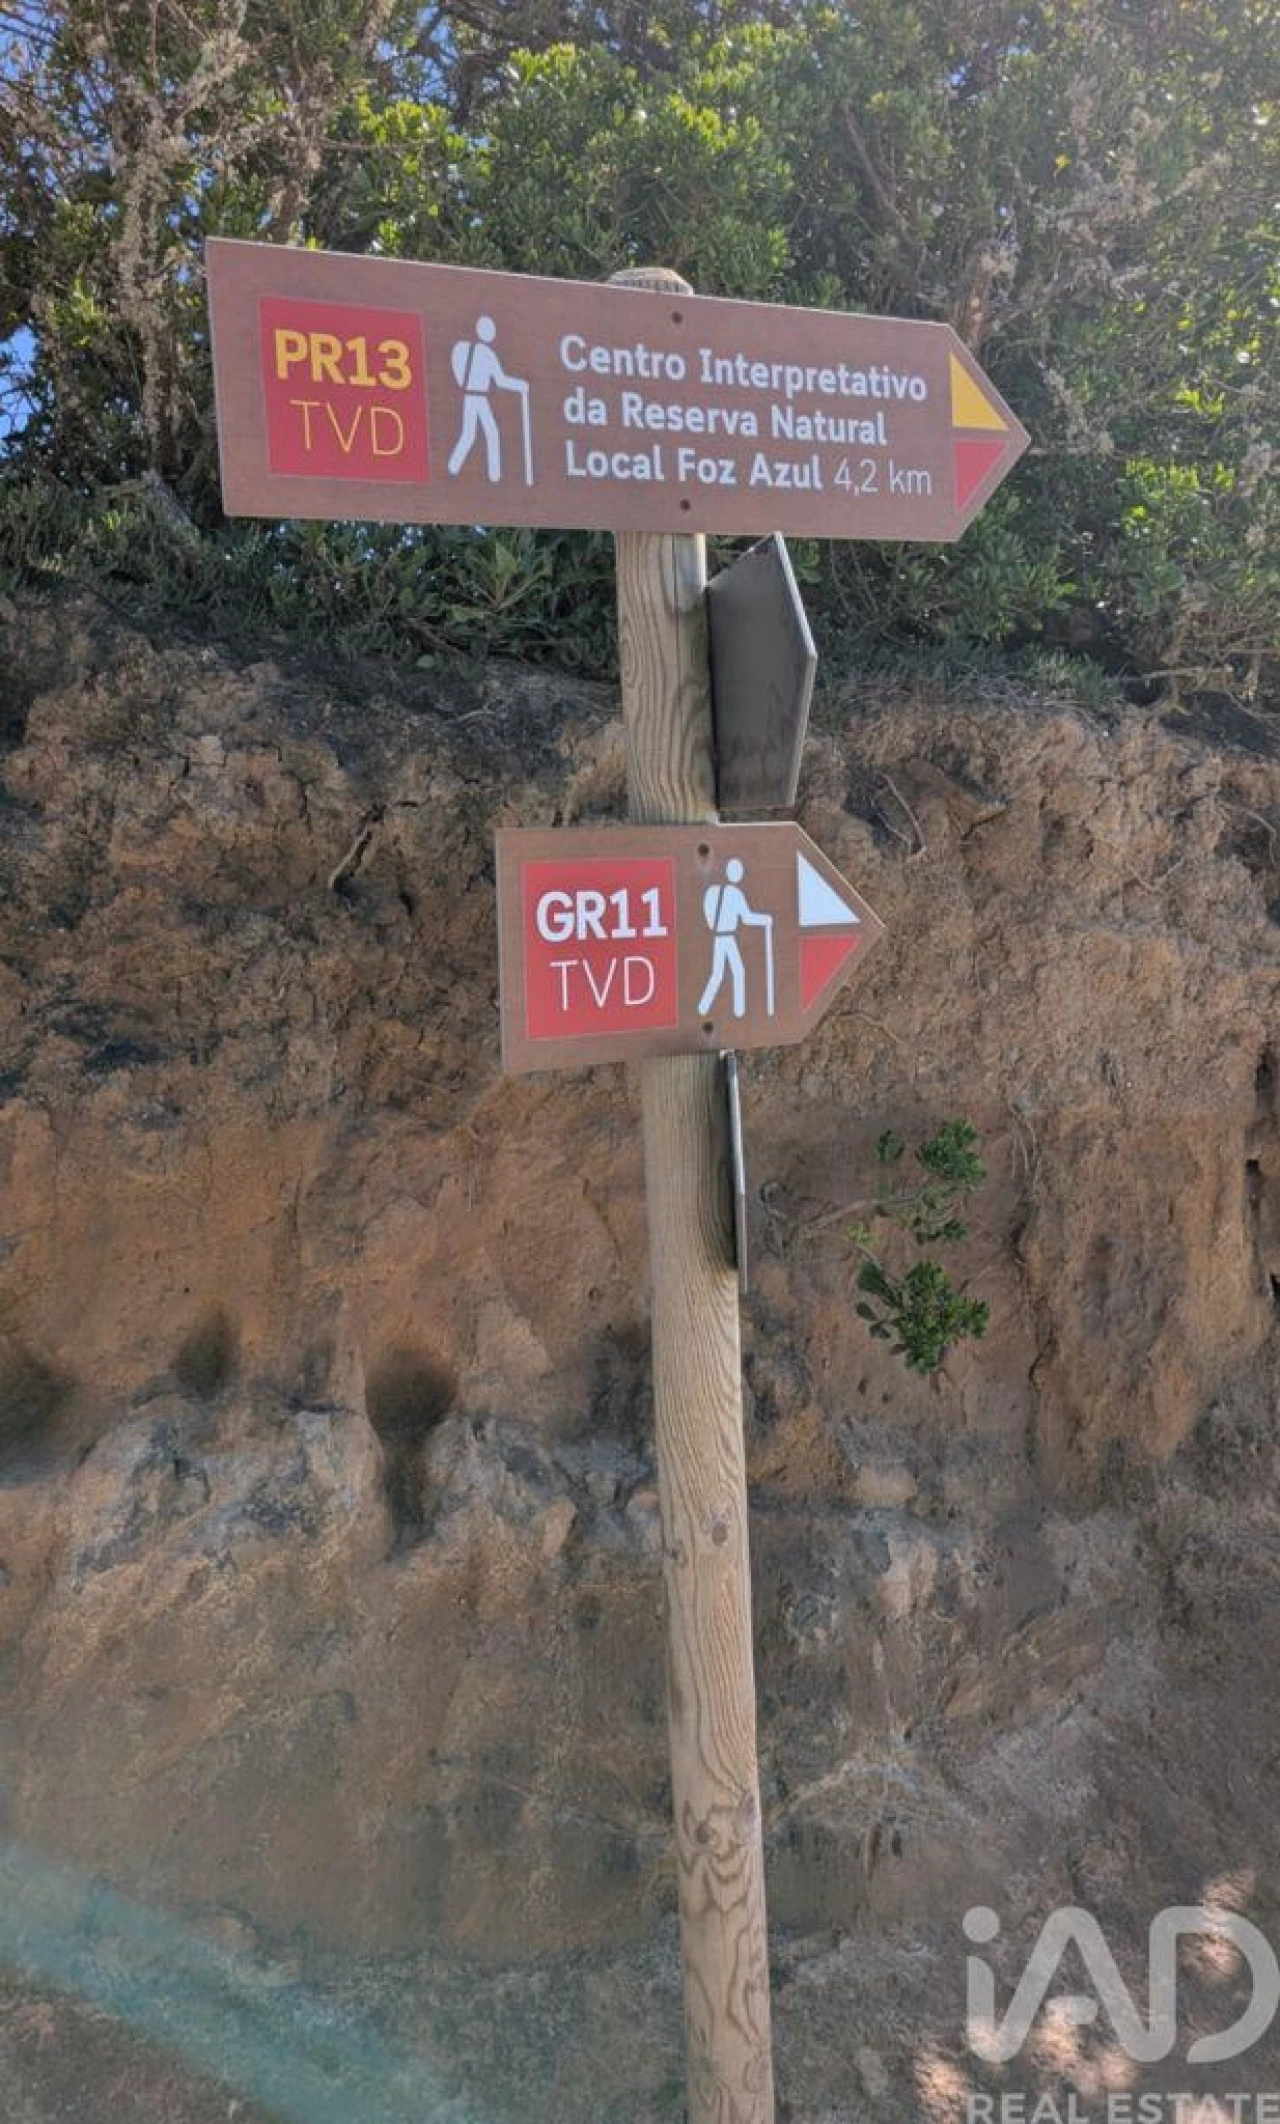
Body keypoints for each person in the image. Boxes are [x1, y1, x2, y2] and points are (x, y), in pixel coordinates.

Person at [447, 316, 531, 483]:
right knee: (488, 433)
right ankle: (493, 475)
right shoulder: (486, 354)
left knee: (472, 434)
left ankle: (455, 467)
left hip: (472, 397)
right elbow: (501, 381)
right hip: (478, 398)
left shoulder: (467, 350)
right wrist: (521, 385)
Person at [698, 859, 774, 1020]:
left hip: (720, 938)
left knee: (719, 974)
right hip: (727, 938)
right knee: (737, 972)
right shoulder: (735, 893)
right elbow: (746, 918)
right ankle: (738, 1012)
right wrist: (765, 919)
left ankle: (704, 1007)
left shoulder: (717, 892)